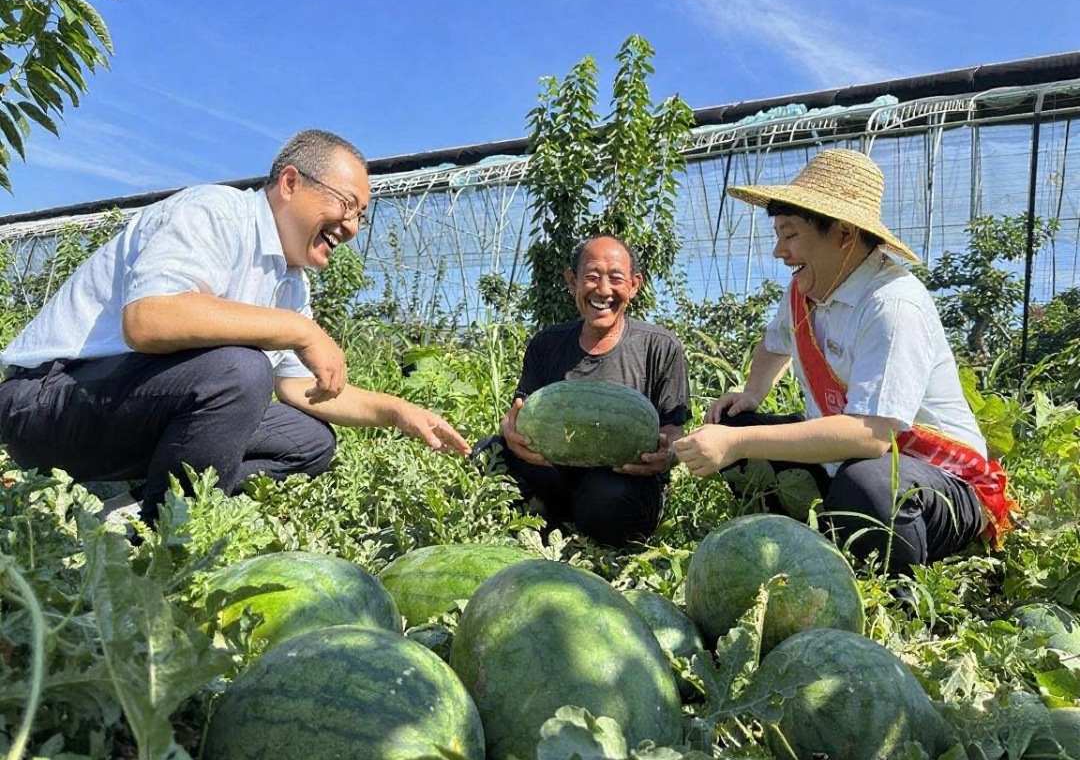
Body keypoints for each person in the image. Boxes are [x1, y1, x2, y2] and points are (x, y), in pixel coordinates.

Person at [0, 129, 470, 525]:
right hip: (43, 402)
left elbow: (299, 387)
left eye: (361, 217)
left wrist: (396, 411)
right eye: (348, 205)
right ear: (291, 182)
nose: (351, 227)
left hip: (120, 410)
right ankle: (165, 537)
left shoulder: (290, 282)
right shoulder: (215, 213)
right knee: (241, 370)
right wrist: (299, 330)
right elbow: (148, 319)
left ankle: (138, 511)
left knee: (309, 440)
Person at [673, 148, 1017, 574]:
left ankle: (898, 587)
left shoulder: (893, 305)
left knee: (867, 483)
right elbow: (775, 343)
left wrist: (737, 443)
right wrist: (751, 394)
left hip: (940, 482)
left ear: (843, 234)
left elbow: (871, 436)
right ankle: (801, 544)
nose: (780, 250)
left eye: (791, 234)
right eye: (778, 234)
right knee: (735, 423)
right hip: (846, 463)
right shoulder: (806, 290)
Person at [477, 235, 691, 546]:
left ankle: (582, 535)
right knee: (489, 452)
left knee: (606, 496)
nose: (603, 290)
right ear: (572, 281)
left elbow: (674, 431)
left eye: (616, 278)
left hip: (622, 481)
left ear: (634, 285)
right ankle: (540, 526)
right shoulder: (546, 344)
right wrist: (509, 432)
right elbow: (519, 416)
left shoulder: (660, 346)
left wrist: (667, 455)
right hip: (554, 475)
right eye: (591, 276)